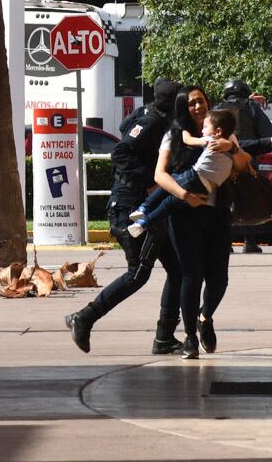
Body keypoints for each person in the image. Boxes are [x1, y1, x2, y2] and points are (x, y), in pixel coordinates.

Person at [65, 78, 185, 355]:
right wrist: (151, 179)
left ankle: (165, 337)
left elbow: (124, 128)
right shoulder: (153, 121)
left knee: (178, 270)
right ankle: (83, 318)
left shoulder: (151, 116)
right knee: (137, 274)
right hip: (131, 207)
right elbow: (120, 151)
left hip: (146, 207)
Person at [154, 86, 250, 359]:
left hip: (217, 214)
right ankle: (189, 337)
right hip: (184, 215)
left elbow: (244, 164)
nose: (198, 107)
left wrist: (232, 147)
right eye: (191, 103)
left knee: (219, 279)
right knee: (191, 276)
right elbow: (160, 175)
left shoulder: (224, 134)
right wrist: (184, 195)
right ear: (184, 109)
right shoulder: (174, 136)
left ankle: (205, 317)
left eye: (201, 101)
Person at [127, 109, 242, 237]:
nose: (202, 131)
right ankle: (143, 223)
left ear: (218, 131)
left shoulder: (211, 140)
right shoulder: (232, 149)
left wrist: (184, 128)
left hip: (195, 176)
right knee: (170, 203)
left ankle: (144, 208)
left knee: (170, 184)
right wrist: (233, 146)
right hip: (207, 188)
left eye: (205, 127)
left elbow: (187, 140)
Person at [214, 79, 272, 253]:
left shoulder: (217, 108)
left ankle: (226, 241)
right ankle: (250, 241)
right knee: (247, 196)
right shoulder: (251, 107)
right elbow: (265, 130)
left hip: (221, 160)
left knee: (223, 199)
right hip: (246, 156)